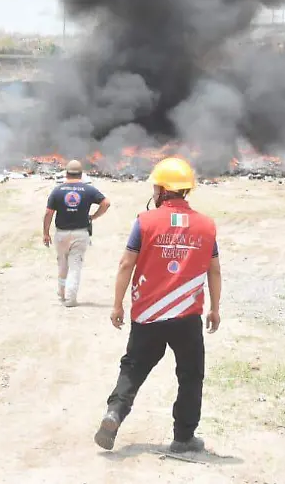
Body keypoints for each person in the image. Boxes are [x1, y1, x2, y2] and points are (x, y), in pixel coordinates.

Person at [94, 156, 222, 455]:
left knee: (133, 368)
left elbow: (126, 264)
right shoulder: (206, 226)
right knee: (190, 376)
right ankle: (184, 438)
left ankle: (114, 412)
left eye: (155, 186)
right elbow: (214, 270)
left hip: (148, 314)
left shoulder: (145, 221)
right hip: (187, 316)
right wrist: (215, 308)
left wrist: (117, 305)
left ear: (163, 190)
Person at [43, 159, 110, 306]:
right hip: (81, 233)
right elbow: (106, 203)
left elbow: (49, 213)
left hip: (61, 234)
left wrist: (46, 233)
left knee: (62, 264)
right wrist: (94, 217)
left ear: (66, 174)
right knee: (75, 265)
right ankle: (70, 298)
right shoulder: (89, 190)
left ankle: (62, 293)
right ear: (81, 174)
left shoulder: (57, 190)